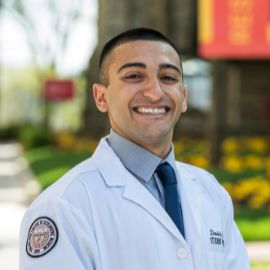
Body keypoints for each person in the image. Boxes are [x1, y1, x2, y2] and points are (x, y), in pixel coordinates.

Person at [20, 28, 249, 270]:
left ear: (183, 97)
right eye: (134, 76)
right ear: (101, 97)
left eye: (168, 78)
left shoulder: (211, 192)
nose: (154, 92)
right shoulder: (64, 207)